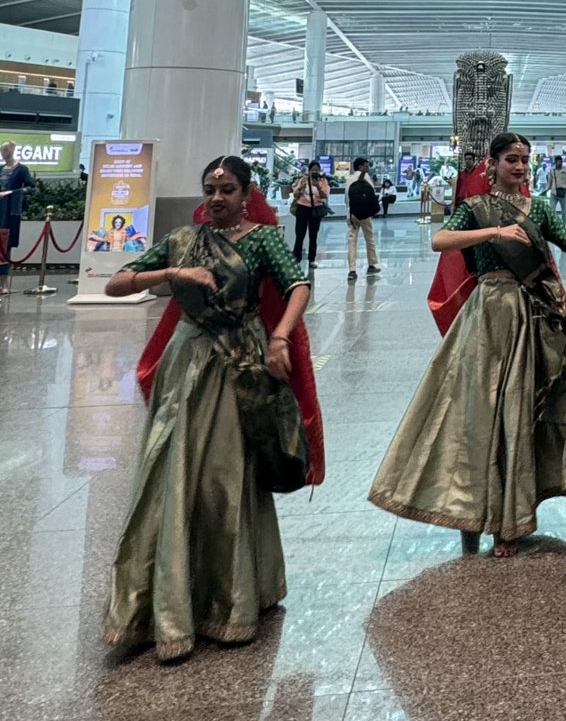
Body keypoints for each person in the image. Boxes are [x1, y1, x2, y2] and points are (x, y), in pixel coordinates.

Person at [101, 155, 324, 660]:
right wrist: (173, 271)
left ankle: (230, 599)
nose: (217, 197)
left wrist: (281, 335)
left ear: (247, 194)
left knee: (225, 473)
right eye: (210, 188)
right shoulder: (183, 240)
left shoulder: (264, 239)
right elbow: (116, 282)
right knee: (169, 468)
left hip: (238, 365)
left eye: (227, 189)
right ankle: (159, 604)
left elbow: (298, 285)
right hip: (185, 364)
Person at [369, 132, 566, 557]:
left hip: (534, 315)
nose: (521, 167)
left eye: (525, 160)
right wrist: (494, 231)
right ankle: (481, 509)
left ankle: (514, 515)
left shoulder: (539, 207)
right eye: (512, 159)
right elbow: (441, 240)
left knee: (524, 407)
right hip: (489, 315)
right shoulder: (474, 208)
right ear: (492, 165)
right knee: (484, 410)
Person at [0, 140, 36, 294]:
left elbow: (32, 188)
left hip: (9, 212)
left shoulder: (21, 169)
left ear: (12, 150)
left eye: (6, 150)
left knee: (5, 246)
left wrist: (12, 193)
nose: (4, 152)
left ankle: (3, 283)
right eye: (2, 150)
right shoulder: (0, 169)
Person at [344, 156, 382, 281]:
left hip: (352, 214)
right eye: (366, 165)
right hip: (365, 214)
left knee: (352, 241)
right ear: (360, 166)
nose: (368, 168)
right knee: (369, 238)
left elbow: (346, 199)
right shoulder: (365, 177)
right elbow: (371, 194)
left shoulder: (349, 179)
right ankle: (372, 264)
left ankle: (352, 270)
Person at [291, 160, 330, 266]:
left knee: (313, 235)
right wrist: (299, 190)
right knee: (300, 234)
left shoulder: (323, 181)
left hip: (315, 210)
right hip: (302, 208)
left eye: (317, 170)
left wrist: (318, 186)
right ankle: (296, 258)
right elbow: (295, 194)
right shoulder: (303, 179)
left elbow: (325, 195)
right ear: (309, 170)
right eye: (313, 170)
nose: (315, 172)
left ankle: (311, 259)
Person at [550, 155, 566, 221]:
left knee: (564, 211)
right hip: (554, 193)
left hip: (563, 193)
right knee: (551, 210)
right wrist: (547, 189)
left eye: (561, 161)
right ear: (556, 162)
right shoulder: (552, 170)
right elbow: (550, 180)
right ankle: (553, 224)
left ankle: (564, 226)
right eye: (559, 161)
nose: (561, 163)